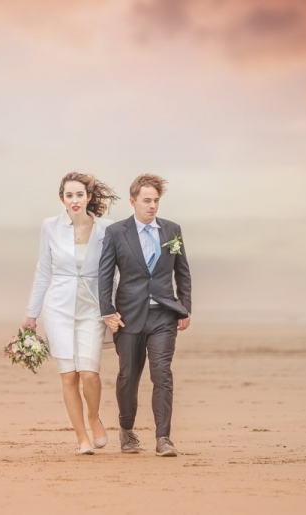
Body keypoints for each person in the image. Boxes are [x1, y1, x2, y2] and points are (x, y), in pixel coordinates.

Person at [23, 172, 119, 455]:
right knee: (69, 376)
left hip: (93, 306)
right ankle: (82, 438)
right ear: (62, 199)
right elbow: (43, 271)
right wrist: (32, 313)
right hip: (58, 307)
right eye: (69, 195)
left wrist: (112, 308)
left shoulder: (106, 229)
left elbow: (112, 274)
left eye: (79, 195)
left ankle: (93, 417)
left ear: (89, 197)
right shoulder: (50, 227)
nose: (74, 200)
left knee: (90, 373)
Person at [98, 173, 192, 457]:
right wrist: (107, 311)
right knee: (129, 375)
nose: (152, 206)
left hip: (164, 315)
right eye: (147, 201)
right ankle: (126, 431)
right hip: (128, 316)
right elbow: (105, 274)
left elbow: (183, 272)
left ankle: (163, 438)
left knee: (162, 373)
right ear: (133, 201)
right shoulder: (116, 232)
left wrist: (185, 307)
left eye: (156, 201)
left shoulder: (172, 230)